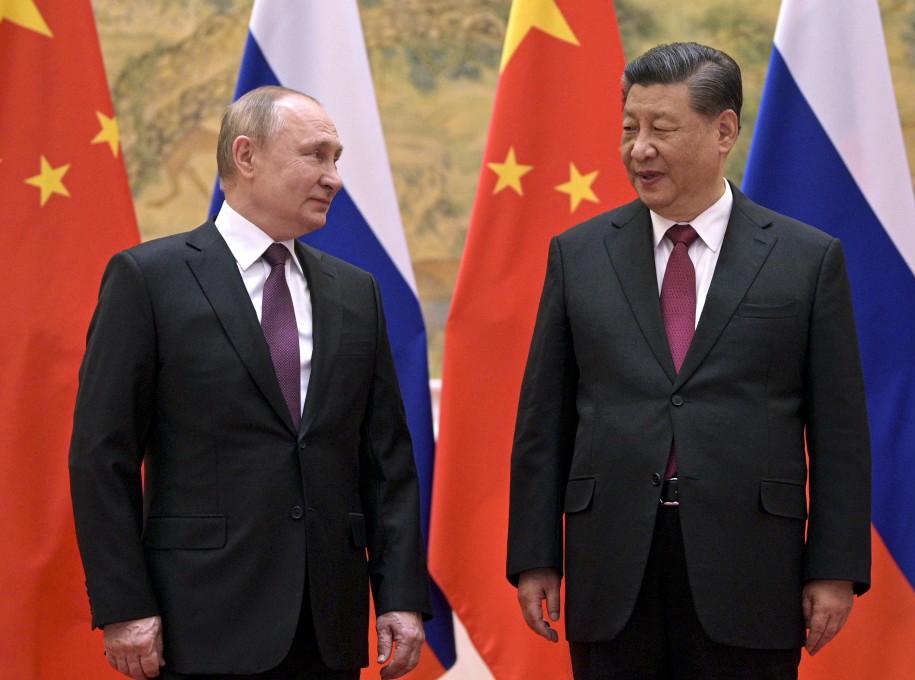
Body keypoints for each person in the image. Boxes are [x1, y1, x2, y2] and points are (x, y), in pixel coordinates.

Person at [506, 42, 871, 679]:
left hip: (751, 567)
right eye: (630, 128)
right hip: (612, 565)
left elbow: (839, 432)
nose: (639, 149)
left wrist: (834, 568)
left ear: (723, 130)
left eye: (662, 129)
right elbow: (545, 420)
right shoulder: (579, 254)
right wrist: (536, 555)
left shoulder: (805, 259)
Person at [69, 85, 430, 680]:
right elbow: (101, 456)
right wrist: (124, 604)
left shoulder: (356, 292)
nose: (334, 178)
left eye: (336, 158)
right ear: (246, 155)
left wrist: (399, 596)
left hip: (327, 626)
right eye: (315, 155)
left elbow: (387, 461)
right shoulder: (148, 280)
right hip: (198, 620)